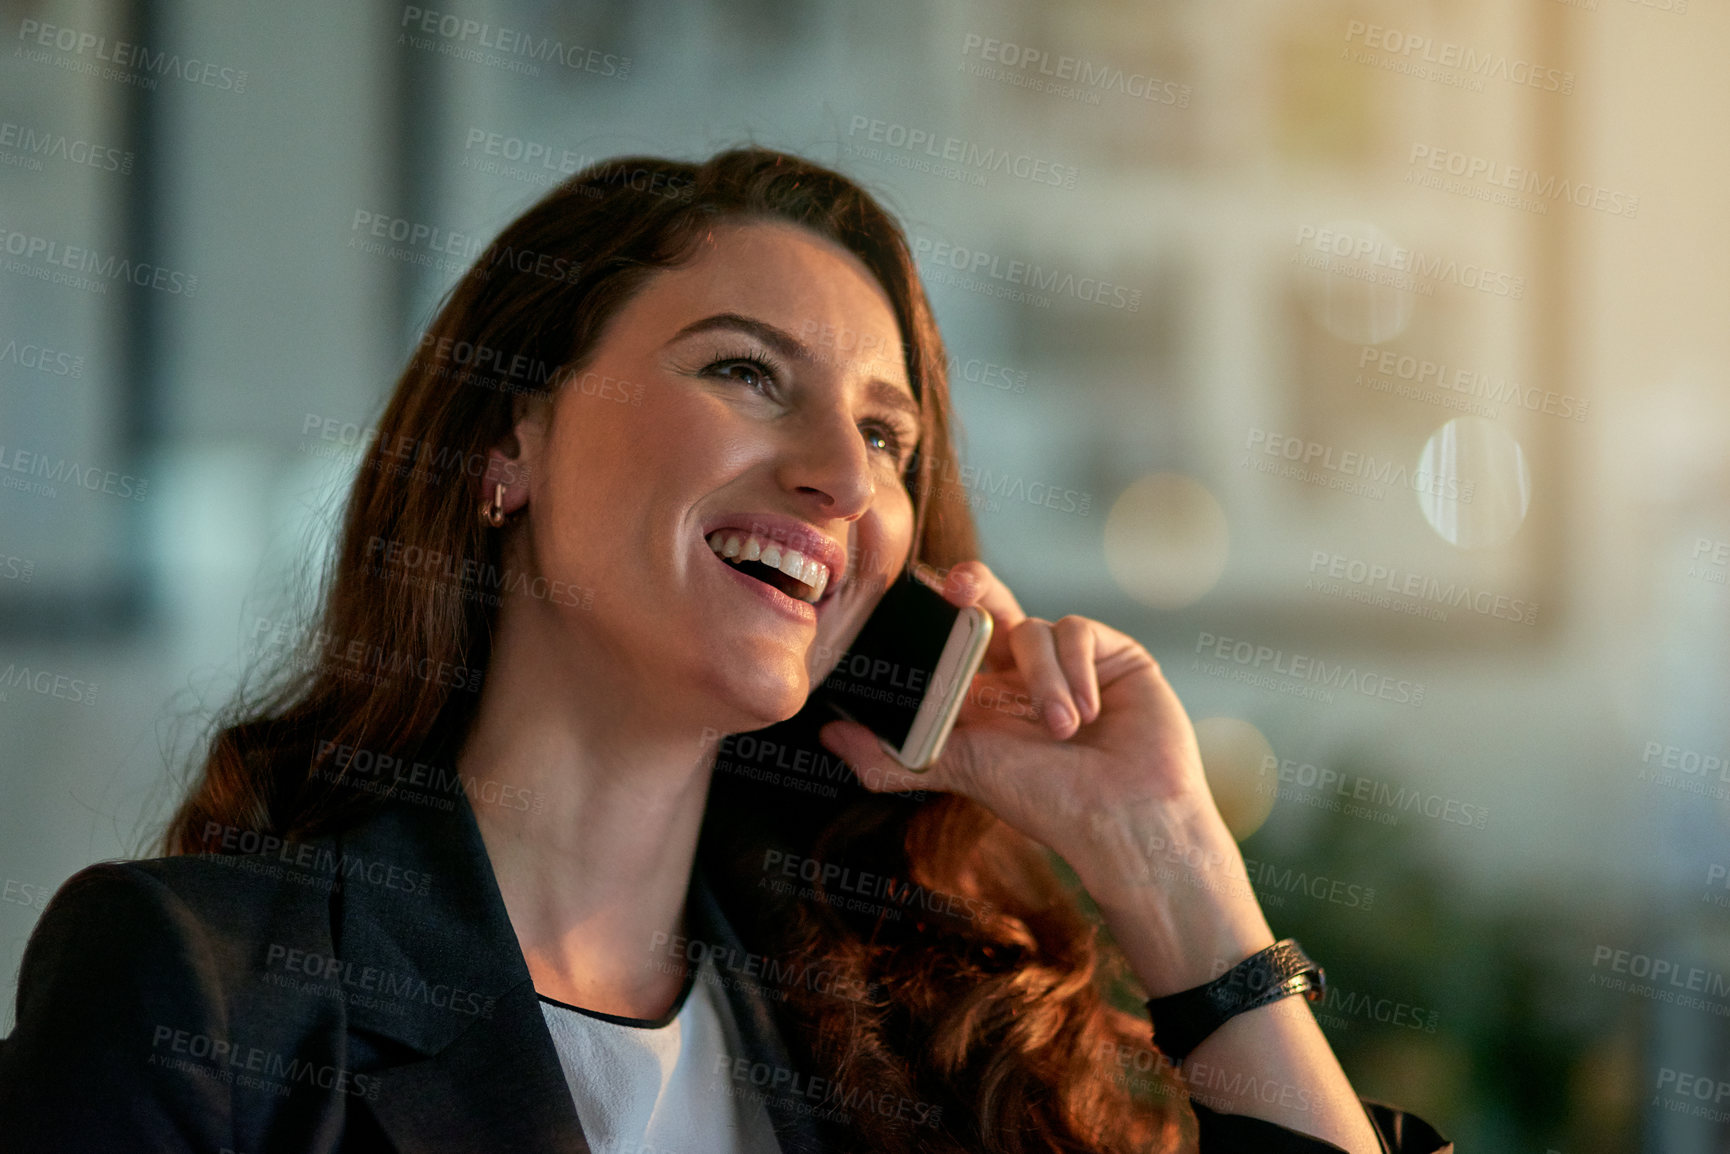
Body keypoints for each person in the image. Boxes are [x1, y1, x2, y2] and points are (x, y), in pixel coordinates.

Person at [0, 147, 1452, 1153]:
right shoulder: (194, 987)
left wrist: (1171, 870)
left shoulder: (923, 1046)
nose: (840, 471)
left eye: (887, 434)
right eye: (745, 372)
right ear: (511, 437)